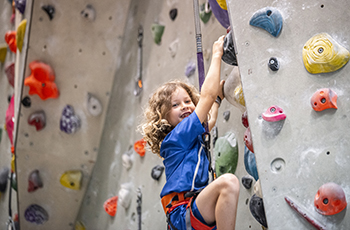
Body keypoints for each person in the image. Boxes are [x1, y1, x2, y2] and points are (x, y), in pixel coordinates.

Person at [140, 35, 240, 230]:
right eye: (175, 105)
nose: (185, 107)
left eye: (188, 101)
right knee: (228, 183)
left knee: (226, 185)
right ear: (164, 116)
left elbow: (209, 121)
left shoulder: (190, 136)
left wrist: (217, 101)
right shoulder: (176, 137)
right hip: (182, 211)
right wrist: (217, 53)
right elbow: (207, 96)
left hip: (192, 209)